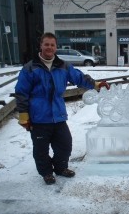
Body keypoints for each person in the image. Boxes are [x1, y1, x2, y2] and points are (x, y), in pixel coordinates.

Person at [15, 32, 109, 185]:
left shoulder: (63, 66)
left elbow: (79, 78)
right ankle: (46, 173)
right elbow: (21, 92)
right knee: (41, 149)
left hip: (58, 115)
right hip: (38, 117)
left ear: (56, 47)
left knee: (65, 144)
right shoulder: (30, 68)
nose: (49, 47)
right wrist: (24, 115)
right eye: (46, 44)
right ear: (41, 46)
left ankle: (60, 168)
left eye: (52, 45)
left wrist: (96, 85)